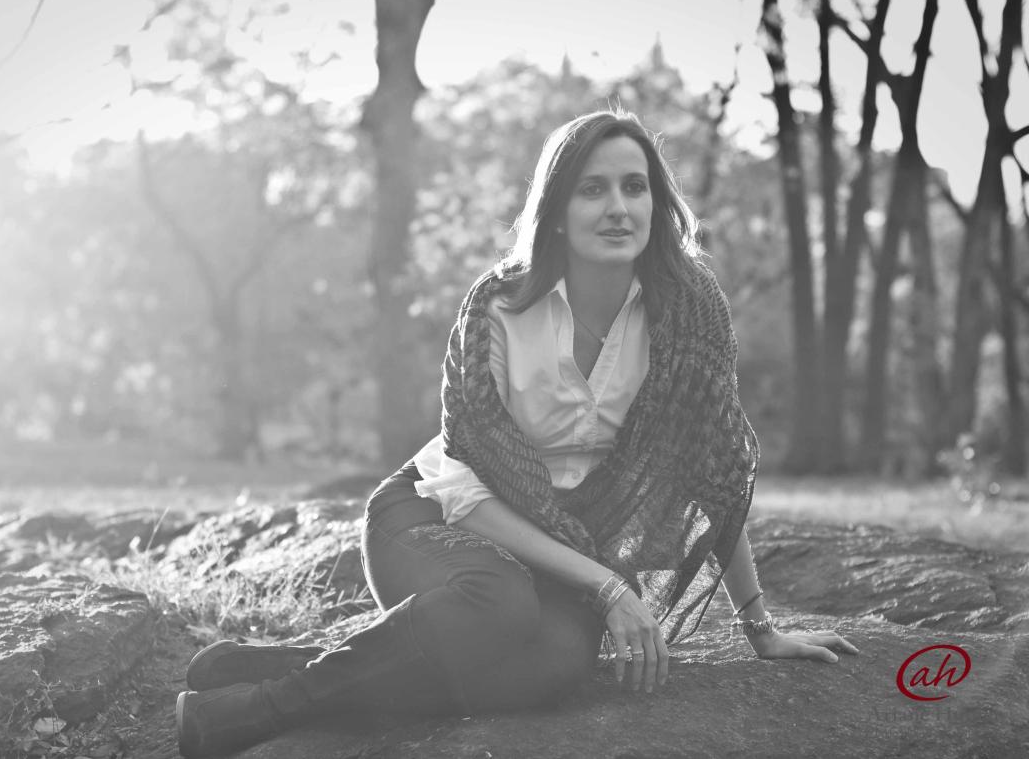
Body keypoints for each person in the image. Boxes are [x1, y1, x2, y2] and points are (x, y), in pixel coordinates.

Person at [174, 110, 860, 757]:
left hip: (559, 547)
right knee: (498, 604)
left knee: (556, 666)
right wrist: (608, 586)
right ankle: (255, 710)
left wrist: (761, 629)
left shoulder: (689, 314)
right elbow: (467, 492)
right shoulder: (498, 308)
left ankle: (285, 664)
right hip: (428, 516)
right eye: (592, 189)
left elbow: (714, 471)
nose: (618, 207)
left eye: (634, 187)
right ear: (556, 210)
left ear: (658, 205)